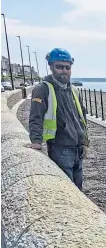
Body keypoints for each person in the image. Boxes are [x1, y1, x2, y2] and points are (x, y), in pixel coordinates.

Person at [27, 48, 89, 190]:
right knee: (67, 190)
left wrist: (85, 142)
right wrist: (36, 141)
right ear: (51, 66)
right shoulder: (43, 89)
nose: (64, 71)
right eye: (59, 67)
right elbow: (36, 116)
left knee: (78, 190)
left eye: (67, 67)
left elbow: (81, 117)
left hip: (78, 149)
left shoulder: (73, 90)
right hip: (60, 148)